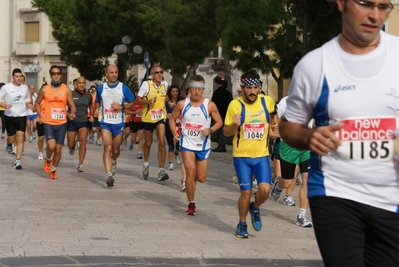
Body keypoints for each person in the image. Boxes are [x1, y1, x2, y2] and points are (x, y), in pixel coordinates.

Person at [279, 1, 399, 266]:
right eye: (366, 4)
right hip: (335, 192)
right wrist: (309, 137)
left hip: (391, 196)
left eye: (383, 6)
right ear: (342, 3)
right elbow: (288, 125)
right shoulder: (315, 65)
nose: (374, 15)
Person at [223, 70, 277, 238]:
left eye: (255, 88)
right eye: (249, 88)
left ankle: (255, 207)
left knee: (265, 190)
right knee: (246, 192)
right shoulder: (235, 105)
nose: (252, 92)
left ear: (260, 87)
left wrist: (276, 128)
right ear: (242, 88)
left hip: (261, 156)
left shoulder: (267, 102)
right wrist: (235, 125)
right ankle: (242, 223)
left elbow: (274, 115)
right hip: (242, 156)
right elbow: (225, 132)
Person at [169, 75, 223, 215]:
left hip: (203, 145)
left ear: (203, 90)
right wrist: (175, 132)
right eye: (194, 89)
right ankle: (191, 203)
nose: (197, 92)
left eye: (200, 89)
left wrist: (210, 130)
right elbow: (172, 118)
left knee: (201, 177)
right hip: (186, 143)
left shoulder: (209, 105)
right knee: (190, 172)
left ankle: (191, 183)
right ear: (190, 89)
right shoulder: (182, 104)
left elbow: (219, 122)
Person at [270, 96, 313, 228]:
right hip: (288, 146)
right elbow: (274, 122)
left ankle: (302, 215)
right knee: (288, 181)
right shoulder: (286, 101)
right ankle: (278, 185)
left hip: (307, 146)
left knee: (307, 179)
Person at [95, 65, 135, 187]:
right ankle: (108, 174)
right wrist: (97, 109)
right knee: (108, 147)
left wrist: (121, 107)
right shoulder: (101, 88)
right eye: (111, 72)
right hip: (105, 122)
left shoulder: (123, 88)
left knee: (116, 150)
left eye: (116, 72)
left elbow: (133, 103)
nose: (114, 74)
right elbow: (97, 101)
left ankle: (114, 160)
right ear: (106, 74)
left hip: (119, 123)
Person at [35, 65, 76, 179]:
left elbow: (72, 105)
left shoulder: (66, 89)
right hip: (48, 122)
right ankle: (48, 159)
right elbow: (37, 104)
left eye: (58, 73)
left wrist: (72, 113)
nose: (56, 75)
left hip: (62, 123)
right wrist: (40, 116)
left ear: (61, 74)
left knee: (58, 149)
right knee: (51, 146)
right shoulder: (45, 89)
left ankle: (53, 169)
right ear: (50, 75)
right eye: (53, 73)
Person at [136, 66, 169, 181]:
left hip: (160, 117)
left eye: (161, 72)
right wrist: (148, 101)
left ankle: (161, 170)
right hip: (148, 118)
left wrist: (169, 101)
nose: (159, 74)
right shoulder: (146, 85)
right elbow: (137, 100)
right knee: (148, 143)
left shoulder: (165, 84)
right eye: (157, 72)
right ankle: (145, 165)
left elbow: (165, 95)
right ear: (152, 75)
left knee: (161, 142)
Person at [0, 68, 31, 169]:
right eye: (17, 76)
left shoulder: (25, 88)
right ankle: (9, 144)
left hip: (21, 115)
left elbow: (27, 100)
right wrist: (4, 105)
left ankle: (18, 161)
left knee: (21, 137)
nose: (19, 78)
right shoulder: (6, 88)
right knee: (11, 138)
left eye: (20, 76)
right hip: (9, 116)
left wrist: (31, 106)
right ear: (13, 77)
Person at [66, 76, 94, 172]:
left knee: (83, 142)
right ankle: (72, 147)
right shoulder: (70, 94)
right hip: (72, 122)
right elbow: (63, 106)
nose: (81, 85)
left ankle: (81, 164)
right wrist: (68, 115)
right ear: (76, 84)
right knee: (70, 143)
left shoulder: (88, 95)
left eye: (83, 83)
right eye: (79, 83)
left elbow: (91, 106)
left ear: (85, 84)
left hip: (83, 121)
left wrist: (91, 115)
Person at [165, 85, 184, 170]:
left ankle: (177, 153)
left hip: (179, 125)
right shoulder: (166, 102)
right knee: (170, 144)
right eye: (173, 91)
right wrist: (167, 115)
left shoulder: (182, 101)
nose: (175, 93)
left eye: (176, 91)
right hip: (168, 124)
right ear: (170, 92)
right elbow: (162, 111)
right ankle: (170, 163)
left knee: (178, 145)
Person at [211, 76, 232, 152]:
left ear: (216, 83)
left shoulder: (217, 92)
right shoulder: (228, 93)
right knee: (223, 130)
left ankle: (221, 145)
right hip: (227, 114)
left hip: (218, 114)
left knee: (219, 130)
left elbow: (213, 103)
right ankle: (222, 144)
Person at [126, 90, 144, 159]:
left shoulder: (144, 102)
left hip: (141, 121)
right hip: (133, 121)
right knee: (133, 138)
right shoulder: (132, 102)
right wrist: (136, 112)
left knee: (140, 137)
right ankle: (132, 143)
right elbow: (127, 112)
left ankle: (140, 152)